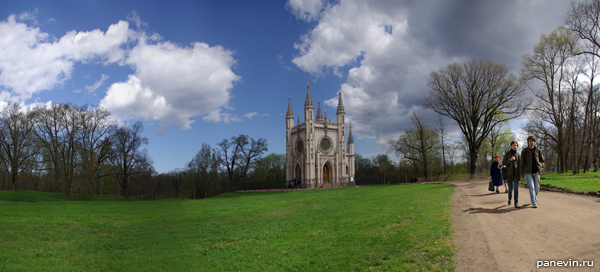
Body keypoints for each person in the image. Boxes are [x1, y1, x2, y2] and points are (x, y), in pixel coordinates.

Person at [520, 136, 545, 208]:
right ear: (528, 142)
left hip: (536, 171)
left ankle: (533, 197)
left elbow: (542, 160)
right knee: (531, 187)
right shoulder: (524, 151)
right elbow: (522, 163)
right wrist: (522, 173)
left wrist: (541, 167)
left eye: (533, 141)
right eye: (530, 141)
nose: (531, 142)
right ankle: (534, 202)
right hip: (528, 172)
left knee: (537, 187)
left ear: (534, 142)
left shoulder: (538, 150)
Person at [503, 141, 521, 208]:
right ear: (511, 146)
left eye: (516, 145)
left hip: (516, 174)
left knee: (516, 189)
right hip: (509, 174)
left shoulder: (518, 155)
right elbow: (503, 163)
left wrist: (521, 173)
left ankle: (516, 203)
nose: (515, 146)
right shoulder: (507, 154)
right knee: (510, 189)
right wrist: (510, 160)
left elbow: (520, 165)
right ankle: (509, 198)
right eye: (513, 145)